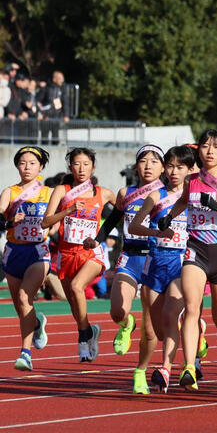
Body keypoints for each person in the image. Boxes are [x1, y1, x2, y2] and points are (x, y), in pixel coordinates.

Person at [159, 130, 217, 390]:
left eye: (216, 146)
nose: (210, 151)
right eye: (205, 146)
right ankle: (189, 366)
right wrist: (169, 217)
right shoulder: (192, 179)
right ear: (198, 150)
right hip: (195, 249)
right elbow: (182, 201)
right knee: (191, 308)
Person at [127, 145, 195, 394]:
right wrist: (157, 232)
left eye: (180, 167)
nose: (174, 172)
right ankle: (193, 331)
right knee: (157, 329)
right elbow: (134, 226)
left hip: (183, 264)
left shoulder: (194, 197)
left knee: (169, 317)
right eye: (170, 166)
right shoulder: (156, 195)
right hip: (155, 263)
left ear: (189, 170)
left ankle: (166, 368)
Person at [42, 147, 116, 362]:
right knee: (73, 302)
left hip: (91, 252)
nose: (81, 168)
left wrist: (100, 237)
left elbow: (120, 211)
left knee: (77, 287)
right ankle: (88, 331)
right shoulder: (62, 191)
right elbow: (46, 222)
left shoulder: (103, 193)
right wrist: (68, 210)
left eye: (86, 164)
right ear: (70, 166)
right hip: (66, 253)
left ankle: (83, 338)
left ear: (93, 167)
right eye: (77, 164)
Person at [105, 145, 166, 360]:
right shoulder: (126, 193)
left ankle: (196, 335)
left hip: (158, 259)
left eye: (154, 161)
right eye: (143, 161)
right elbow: (113, 219)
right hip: (130, 258)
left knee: (156, 329)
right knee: (117, 311)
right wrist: (96, 240)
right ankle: (127, 323)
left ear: (163, 168)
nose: (148, 166)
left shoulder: (168, 195)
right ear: (136, 166)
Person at [2, 146, 53, 371]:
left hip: (38, 253)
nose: (27, 167)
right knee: (22, 308)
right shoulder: (10, 192)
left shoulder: (49, 193)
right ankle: (37, 323)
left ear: (40, 167)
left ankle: (26, 353)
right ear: (17, 165)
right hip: (14, 252)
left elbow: (60, 217)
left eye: (32, 163)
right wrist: (13, 220)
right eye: (22, 163)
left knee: (25, 298)